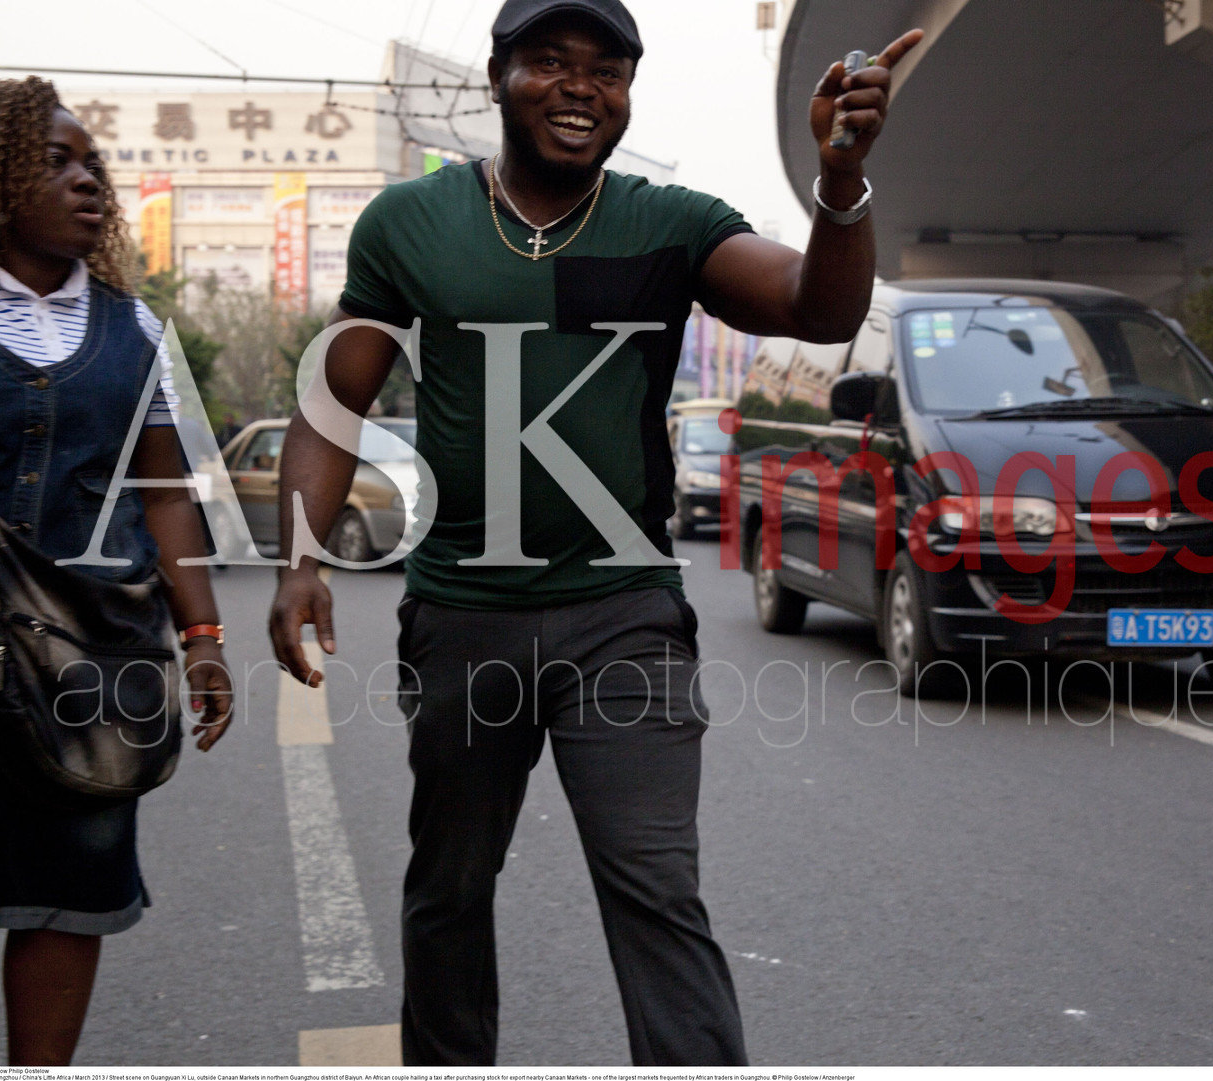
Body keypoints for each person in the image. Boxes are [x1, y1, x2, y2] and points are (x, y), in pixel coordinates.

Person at [268, 0, 922, 1065]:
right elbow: (334, 399)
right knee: (449, 888)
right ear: (497, 77)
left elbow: (819, 309)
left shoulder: (671, 225)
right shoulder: (409, 223)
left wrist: (841, 180)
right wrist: (300, 558)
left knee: (656, 887)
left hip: (623, 617)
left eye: (608, 70)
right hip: (464, 616)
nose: (581, 88)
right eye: (550, 62)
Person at [0, 77, 234, 1066]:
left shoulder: (135, 328)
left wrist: (202, 635)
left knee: (73, 887)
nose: (89, 181)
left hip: (93, 650)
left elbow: (165, 493)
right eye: (56, 162)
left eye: (93, 164)